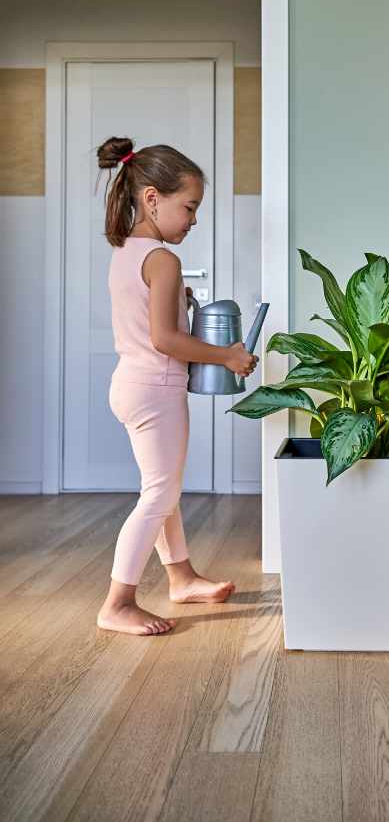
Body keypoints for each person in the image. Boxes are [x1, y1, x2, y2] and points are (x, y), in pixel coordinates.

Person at [95, 136, 258, 636]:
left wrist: (179, 300)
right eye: (188, 207)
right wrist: (228, 354)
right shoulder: (162, 259)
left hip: (129, 383)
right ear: (151, 199)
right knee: (161, 493)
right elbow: (167, 340)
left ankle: (181, 577)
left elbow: (148, 324)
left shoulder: (127, 251)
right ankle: (118, 602)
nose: (192, 219)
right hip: (155, 390)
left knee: (160, 487)